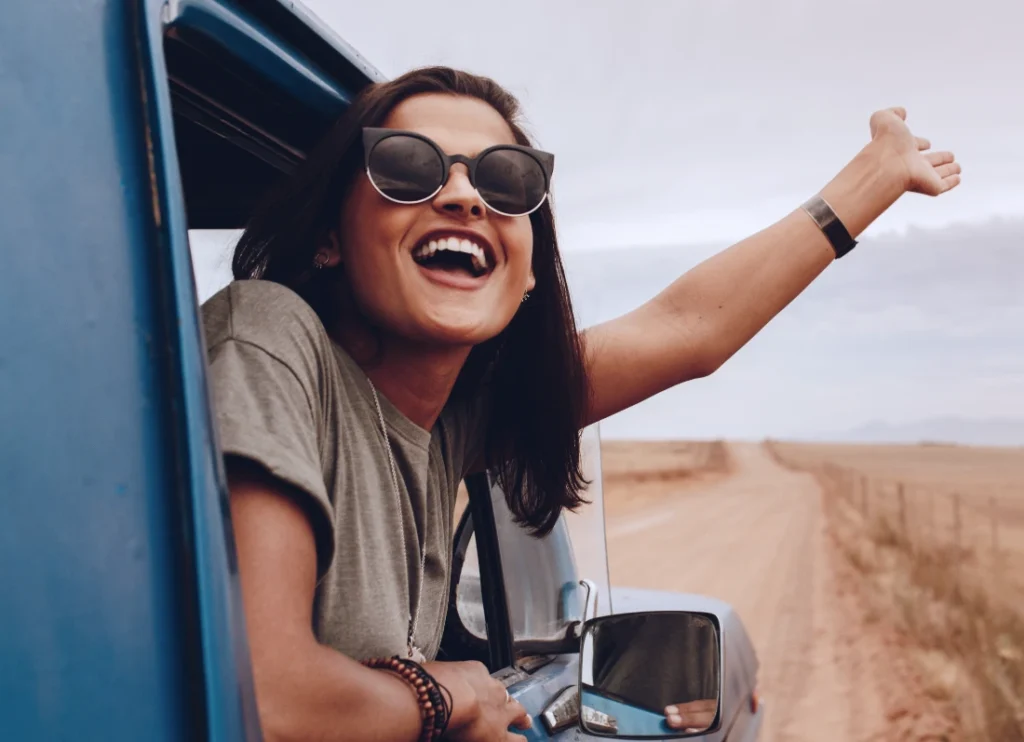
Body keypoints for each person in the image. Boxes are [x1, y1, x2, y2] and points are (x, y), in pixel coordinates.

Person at [202, 65, 960, 742]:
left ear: (528, 270)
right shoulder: (270, 334)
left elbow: (686, 330)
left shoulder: (445, 430)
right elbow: (266, 700)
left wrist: (874, 177)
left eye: (508, 184)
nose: (465, 196)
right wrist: (449, 693)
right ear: (329, 238)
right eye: (407, 169)